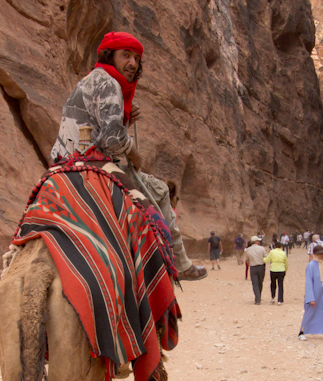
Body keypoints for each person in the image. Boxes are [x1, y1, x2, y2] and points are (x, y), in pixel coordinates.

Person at [51, 30, 206, 281]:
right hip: (90, 163)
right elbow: (112, 140)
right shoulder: (108, 83)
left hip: (62, 162)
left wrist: (123, 116)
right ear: (109, 56)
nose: (132, 63)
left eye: (136, 58)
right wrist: (135, 155)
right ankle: (180, 262)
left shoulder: (91, 80)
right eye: (126, 56)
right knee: (160, 191)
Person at [298, 245, 323, 341]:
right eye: (320, 254)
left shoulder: (322, 264)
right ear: (316, 254)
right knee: (310, 313)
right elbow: (309, 282)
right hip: (314, 294)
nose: (321, 256)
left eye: (322, 254)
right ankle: (302, 332)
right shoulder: (311, 265)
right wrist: (310, 298)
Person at [245, 235, 267, 304]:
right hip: (261, 267)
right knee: (260, 282)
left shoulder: (248, 249)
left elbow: (247, 260)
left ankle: (257, 298)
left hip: (253, 268)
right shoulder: (262, 248)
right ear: (256, 242)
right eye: (258, 240)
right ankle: (258, 296)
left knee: (255, 284)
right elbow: (266, 257)